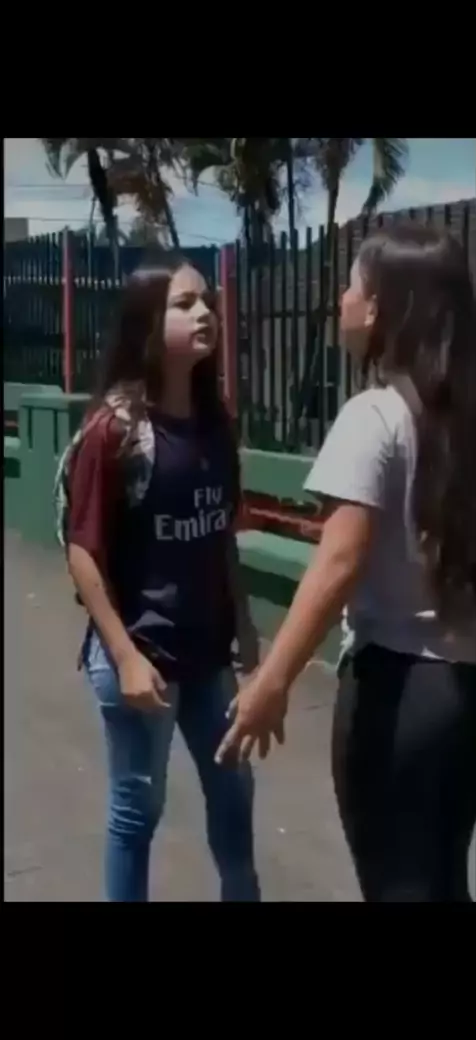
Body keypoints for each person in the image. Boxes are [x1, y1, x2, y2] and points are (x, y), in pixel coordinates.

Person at [217, 225, 476, 903]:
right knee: (445, 876)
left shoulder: (374, 417)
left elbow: (338, 562)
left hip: (398, 688)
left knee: (398, 884)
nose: (341, 298)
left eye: (353, 285)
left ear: (383, 305)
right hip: (465, 690)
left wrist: (272, 680)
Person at [65, 257, 261, 902]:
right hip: (141, 659)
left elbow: (221, 531)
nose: (205, 314)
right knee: (136, 812)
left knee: (234, 795)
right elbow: (83, 552)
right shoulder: (115, 430)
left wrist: (244, 621)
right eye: (184, 304)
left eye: (207, 302)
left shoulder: (214, 423)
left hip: (208, 658)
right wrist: (124, 657)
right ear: (148, 323)